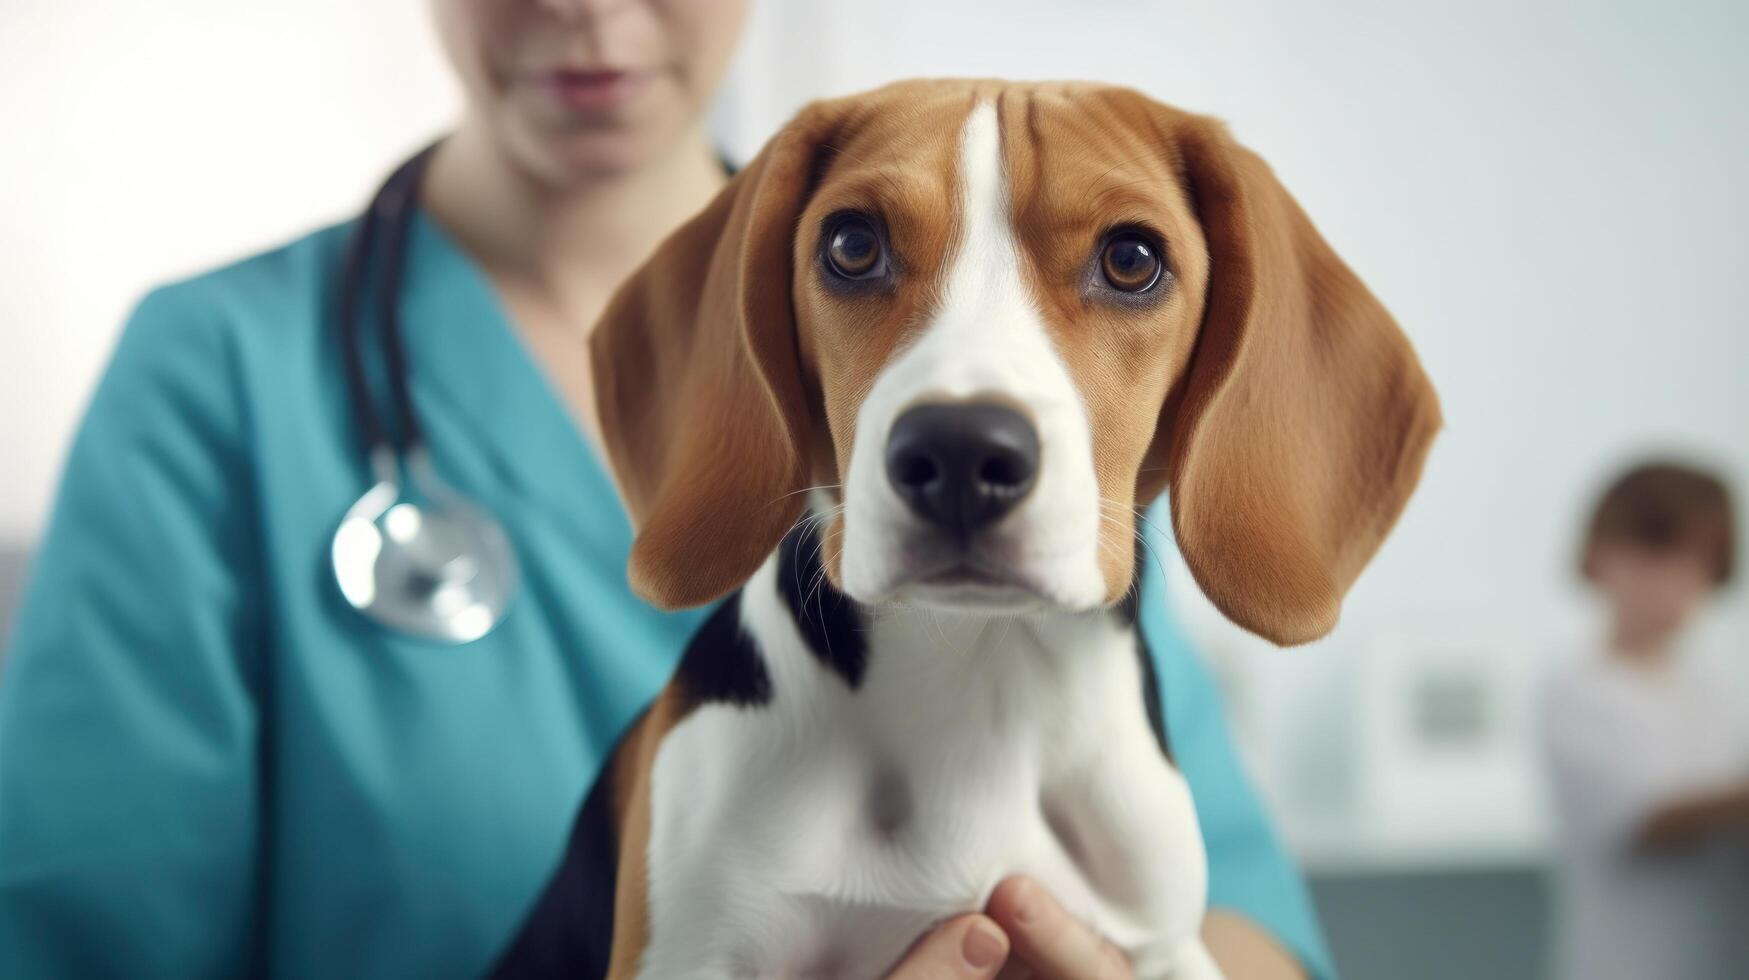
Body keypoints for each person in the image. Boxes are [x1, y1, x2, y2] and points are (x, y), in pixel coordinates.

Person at [0, 2, 1333, 977]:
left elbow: (1242, 929)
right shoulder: (218, 375)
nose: (587, 9)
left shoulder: (1031, 445)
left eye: (1119, 270)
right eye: (860, 256)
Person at [1540, 461, 1749, 980]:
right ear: (1600, 556)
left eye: (1698, 561)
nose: (1677, 578)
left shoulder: (1719, 693)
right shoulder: (1577, 691)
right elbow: (1644, 821)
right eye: (1658, 553)